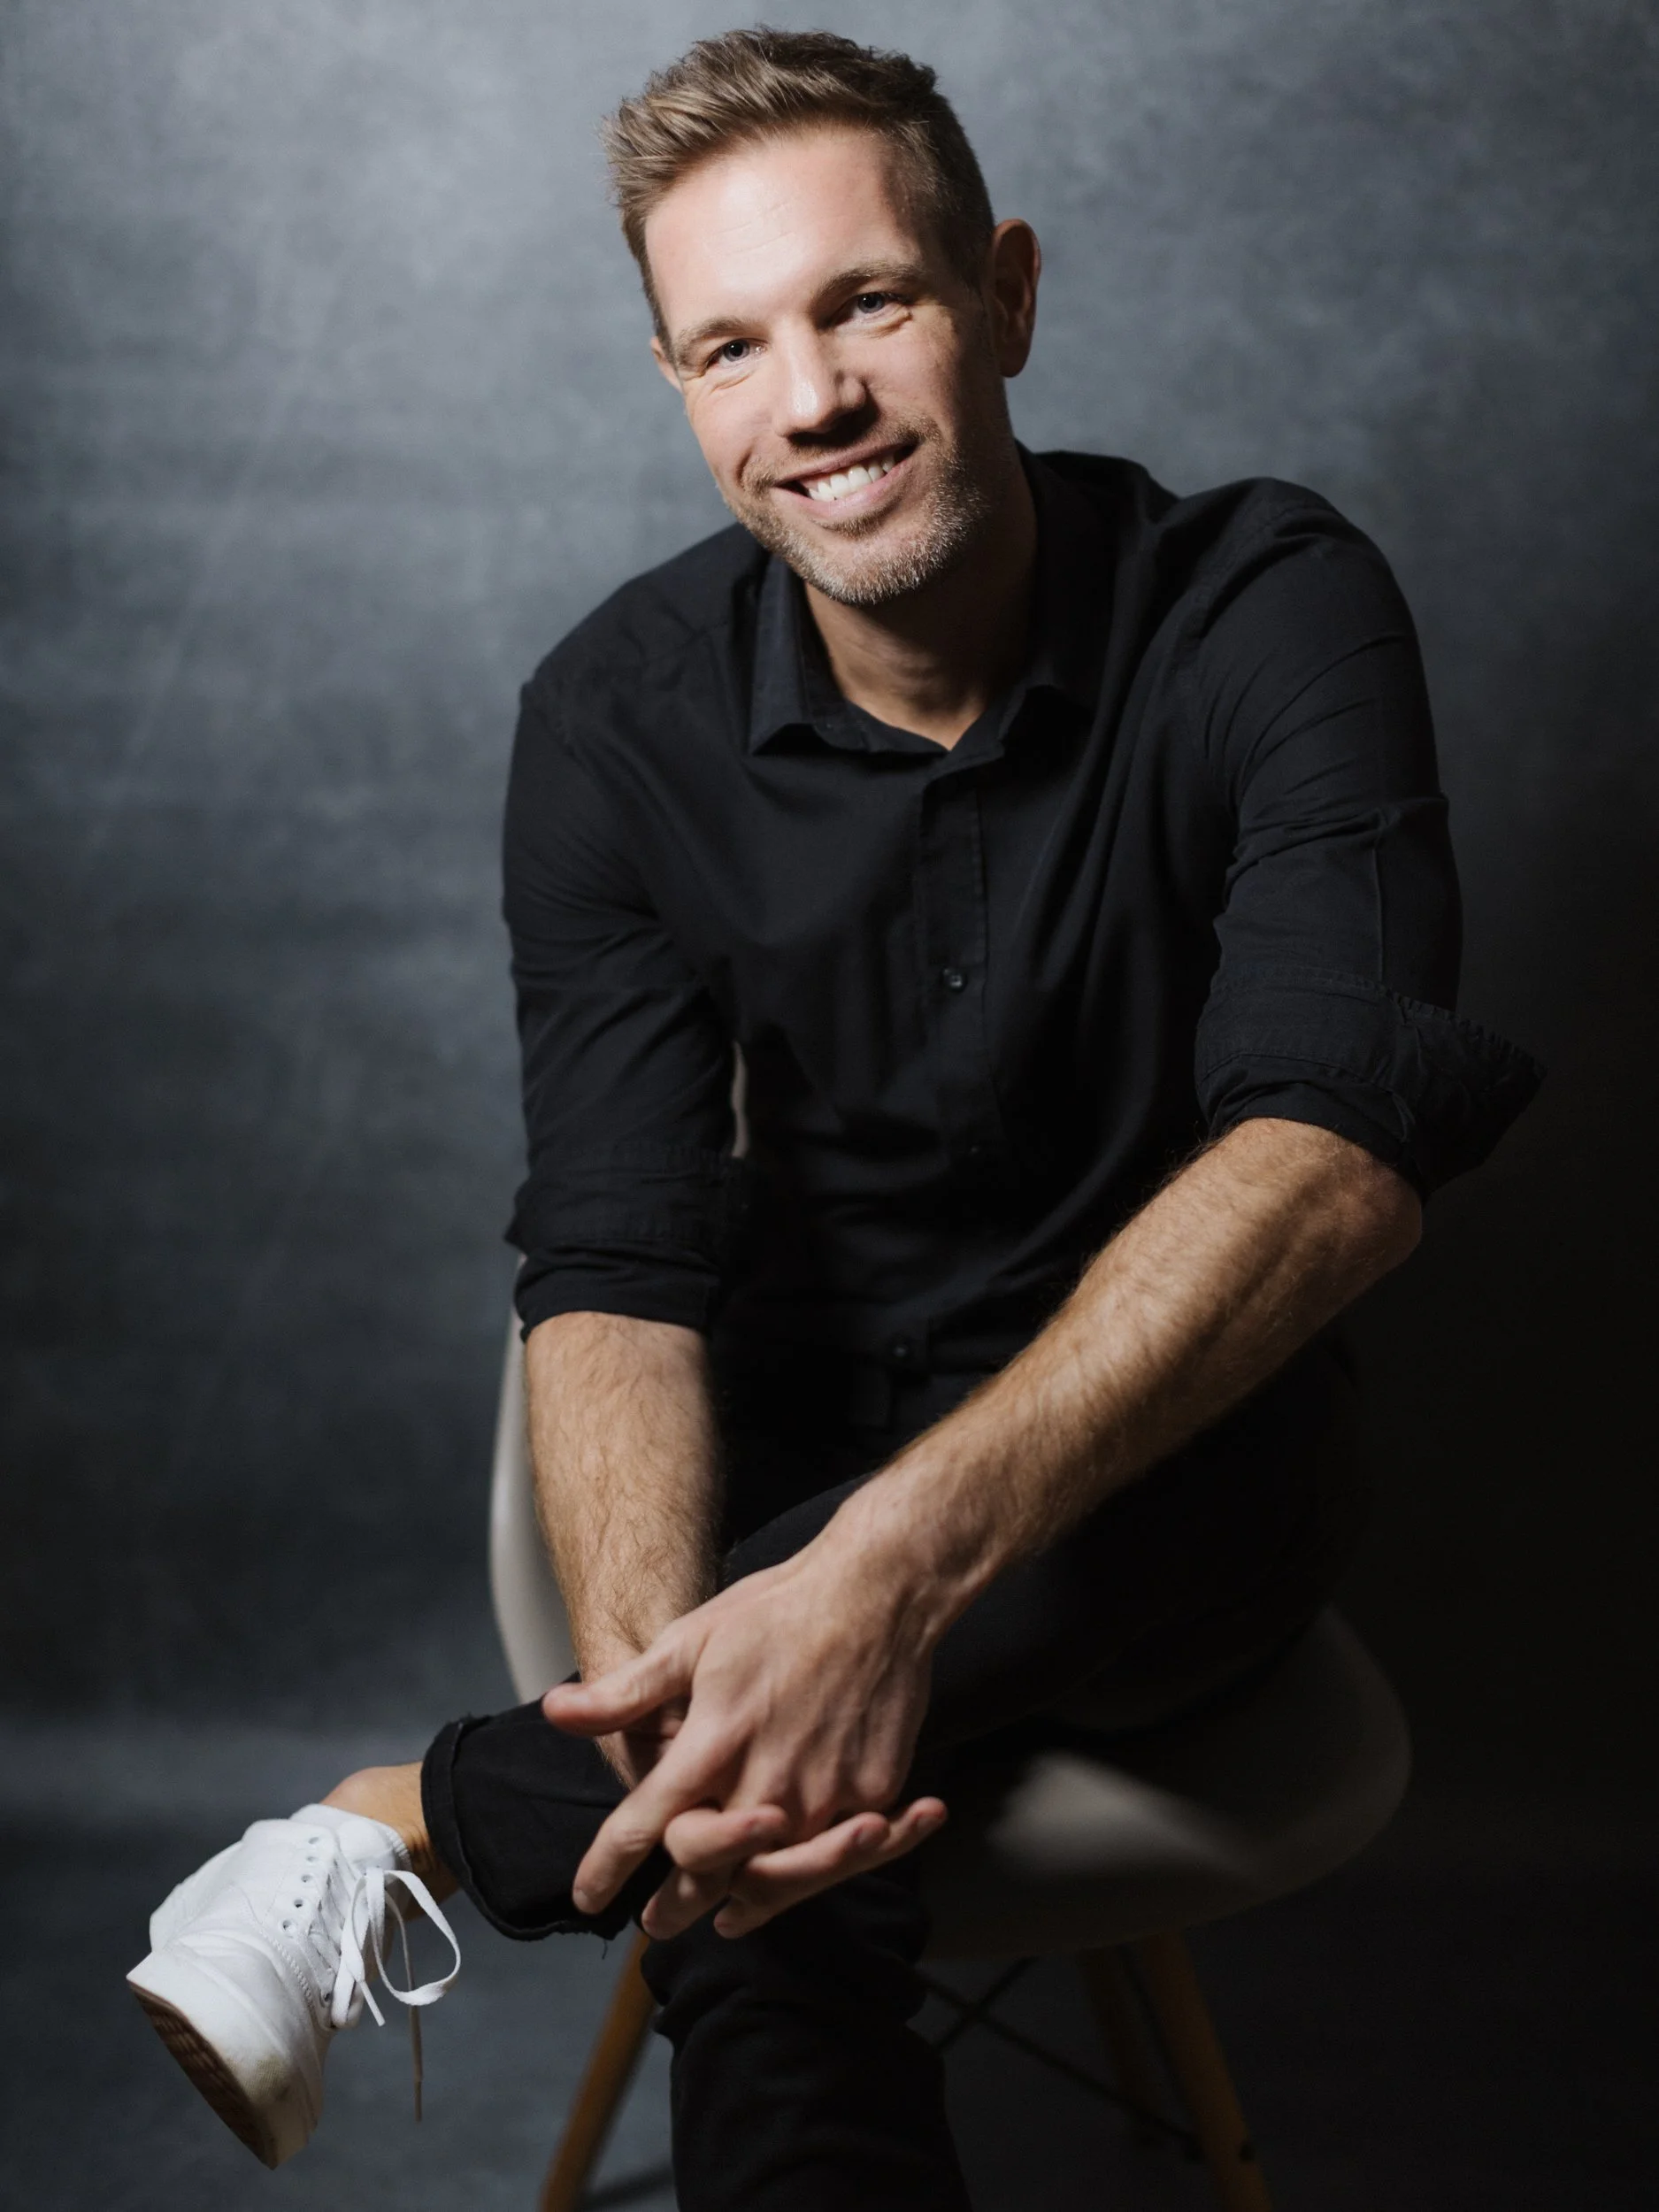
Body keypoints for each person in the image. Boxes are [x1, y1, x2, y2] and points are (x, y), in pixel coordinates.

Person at [127, 27, 1540, 2208]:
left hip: (1178, 1464)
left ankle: (407, 1816)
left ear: (1006, 294)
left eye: (865, 302)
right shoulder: (611, 722)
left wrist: (883, 1571)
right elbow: (613, 1263)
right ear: (677, 382)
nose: (810, 401)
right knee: (776, 1863)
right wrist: (719, 1666)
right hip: (781, 1463)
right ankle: (657, 1761)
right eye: (729, 347)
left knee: (824, 1674)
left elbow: (1333, 1158)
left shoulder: (1270, 605)